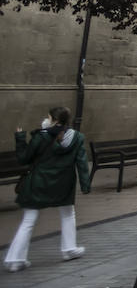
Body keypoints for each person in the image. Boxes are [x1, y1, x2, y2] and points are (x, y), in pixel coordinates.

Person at [5, 106, 91, 272]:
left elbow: (24, 158)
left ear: (55, 121)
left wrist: (20, 137)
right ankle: (69, 248)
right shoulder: (77, 137)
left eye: (49, 117)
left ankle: (15, 259)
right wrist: (85, 185)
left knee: (29, 221)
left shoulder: (41, 137)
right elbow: (81, 163)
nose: (46, 119)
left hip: (38, 183)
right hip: (63, 184)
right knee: (68, 214)